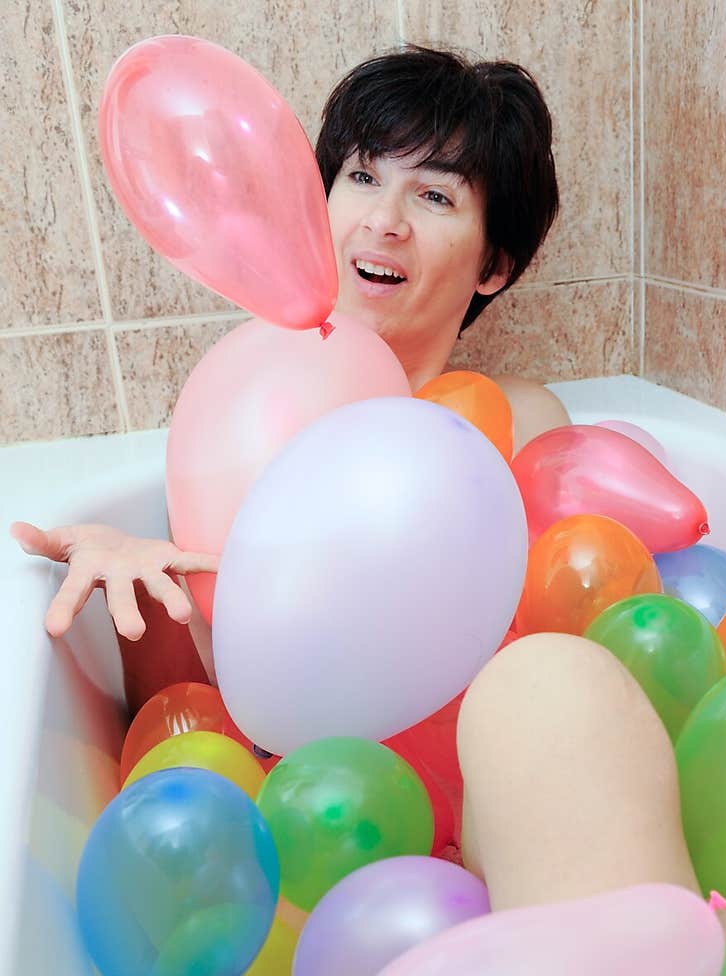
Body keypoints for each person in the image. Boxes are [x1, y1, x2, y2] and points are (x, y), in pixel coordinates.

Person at [10, 46, 570, 689]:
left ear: (494, 265)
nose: (384, 221)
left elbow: (547, 650)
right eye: (362, 177)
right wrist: (149, 598)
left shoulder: (523, 429)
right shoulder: (244, 424)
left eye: (435, 196)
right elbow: (208, 714)